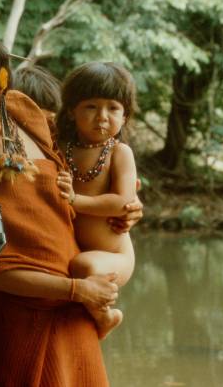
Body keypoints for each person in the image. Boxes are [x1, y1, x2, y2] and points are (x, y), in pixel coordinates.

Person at [0, 24, 142, 387]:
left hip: (73, 316)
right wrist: (77, 290)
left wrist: (128, 205)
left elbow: (84, 172)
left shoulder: (27, 113)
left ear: (0, 81)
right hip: (15, 325)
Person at [55, 62, 138, 339]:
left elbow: (123, 202)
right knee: (76, 265)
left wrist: (75, 200)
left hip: (114, 257)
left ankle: (105, 317)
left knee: (84, 266)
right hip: (74, 250)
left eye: (113, 108)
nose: (102, 117)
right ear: (71, 111)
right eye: (91, 107)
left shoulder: (119, 153)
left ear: (125, 116)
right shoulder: (60, 148)